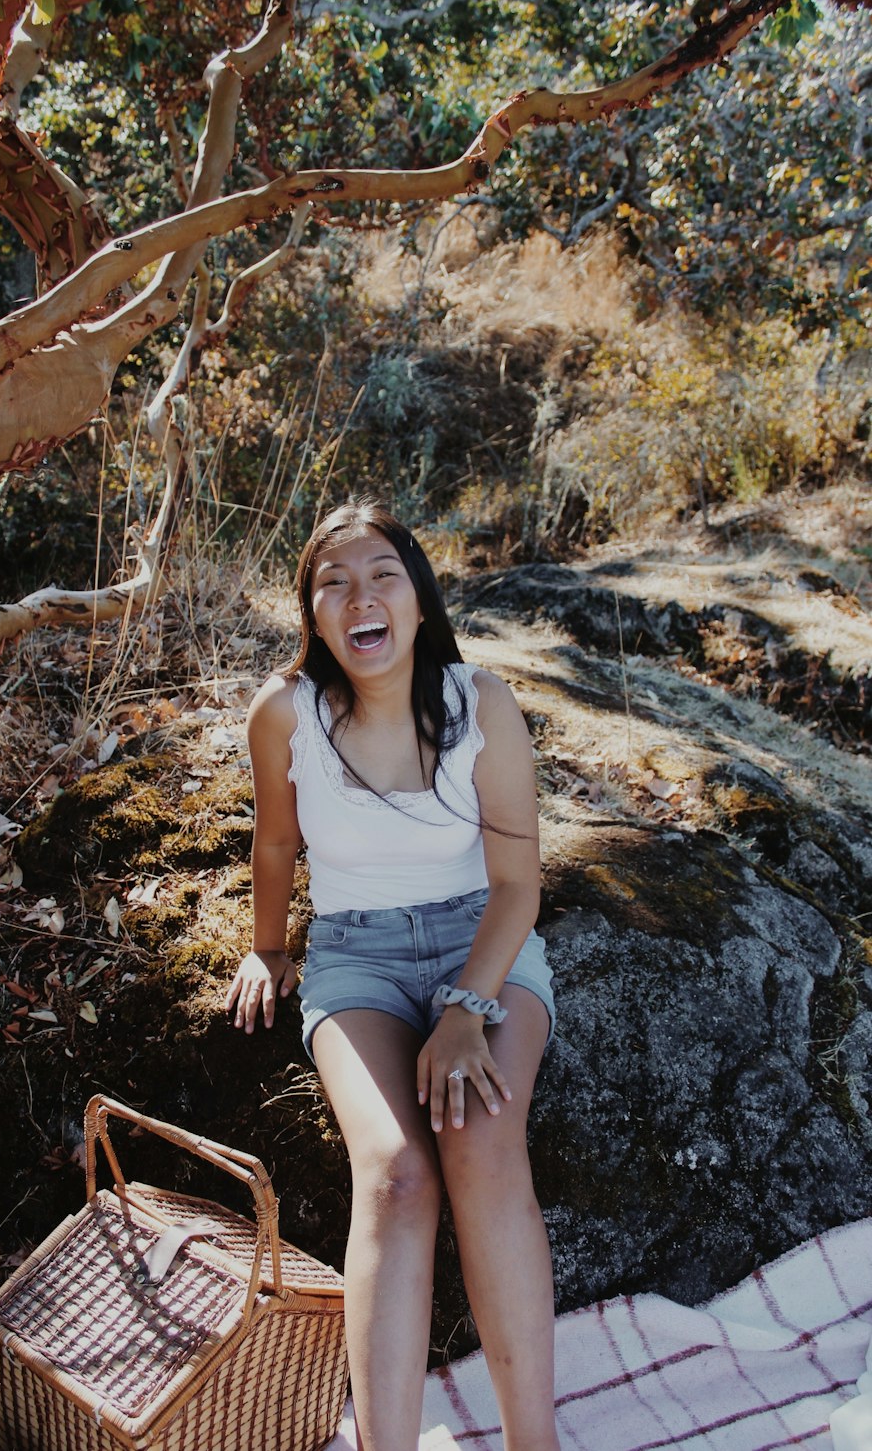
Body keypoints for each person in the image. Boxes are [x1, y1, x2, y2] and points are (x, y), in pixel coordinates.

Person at [225, 501, 559, 1451]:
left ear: (416, 599)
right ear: (314, 615)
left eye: (382, 575)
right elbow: (278, 840)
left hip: (482, 941)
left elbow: (517, 886)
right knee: (399, 1175)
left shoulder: (478, 701)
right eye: (334, 582)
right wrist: (266, 944)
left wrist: (466, 1009)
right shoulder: (285, 713)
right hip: (353, 957)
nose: (359, 597)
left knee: (482, 1144)